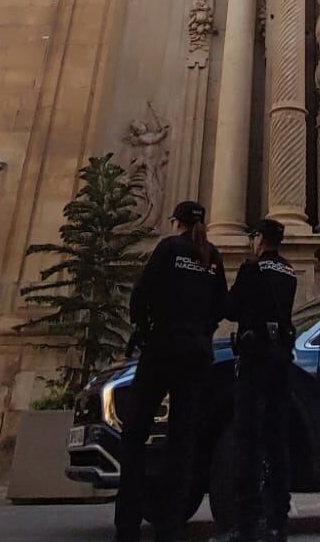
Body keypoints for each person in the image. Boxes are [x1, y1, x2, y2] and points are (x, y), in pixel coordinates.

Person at [116, 200, 228, 542]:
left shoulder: (169, 248)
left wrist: (146, 328)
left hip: (162, 349)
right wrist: (202, 332)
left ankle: (128, 526)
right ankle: (171, 526)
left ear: (176, 221)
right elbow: (222, 305)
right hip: (195, 354)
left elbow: (142, 292)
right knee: (184, 440)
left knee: (134, 433)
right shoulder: (212, 256)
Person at [219, 218, 298, 542]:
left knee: (247, 441)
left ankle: (245, 522)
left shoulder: (252, 270)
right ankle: (278, 519)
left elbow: (232, 309)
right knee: (277, 441)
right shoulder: (290, 273)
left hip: (255, 362)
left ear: (260, 239)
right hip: (281, 361)